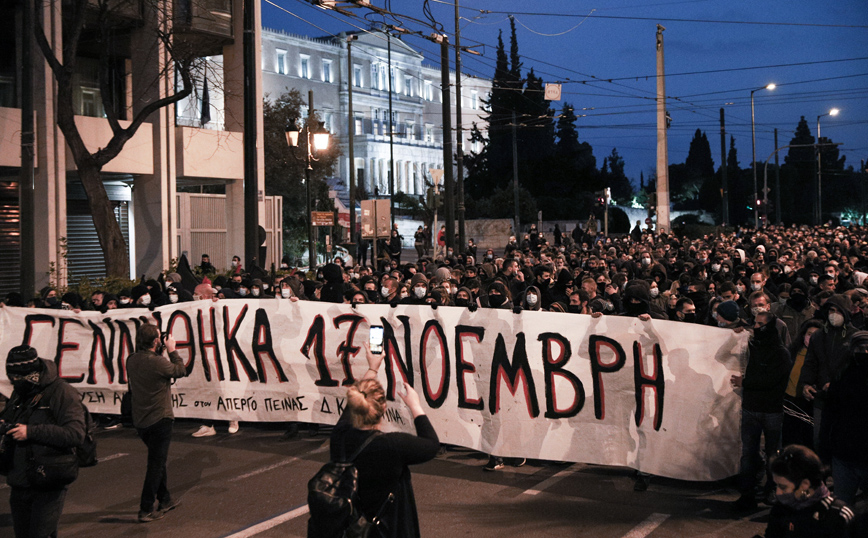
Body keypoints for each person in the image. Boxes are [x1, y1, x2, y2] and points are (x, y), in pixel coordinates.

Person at [329, 343, 439, 538]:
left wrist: (372, 369)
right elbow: (431, 445)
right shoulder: (392, 446)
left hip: (352, 527)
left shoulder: (340, 436)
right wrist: (415, 406)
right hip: (387, 529)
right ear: (384, 409)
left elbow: (352, 406)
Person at [1, 345, 86, 538]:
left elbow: (75, 433)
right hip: (20, 480)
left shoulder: (61, 392)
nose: (13, 383)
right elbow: (12, 418)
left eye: (16, 378)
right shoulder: (19, 392)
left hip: (49, 480)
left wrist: (31, 432)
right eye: (11, 378)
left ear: (30, 373)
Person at [731, 311, 792, 510]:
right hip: (751, 409)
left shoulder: (780, 352)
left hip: (771, 411)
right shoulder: (753, 346)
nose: (755, 327)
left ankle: (771, 490)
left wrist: (745, 382)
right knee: (748, 454)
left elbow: (772, 381)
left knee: (773, 454)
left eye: (758, 324)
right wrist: (737, 334)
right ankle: (748, 493)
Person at [126, 324, 186, 522]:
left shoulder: (131, 359)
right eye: (159, 338)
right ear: (155, 341)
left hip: (140, 419)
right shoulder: (158, 362)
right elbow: (180, 370)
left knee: (157, 460)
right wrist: (172, 350)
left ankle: (165, 499)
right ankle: (146, 508)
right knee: (155, 464)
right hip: (160, 418)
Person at [752, 445, 853, 538]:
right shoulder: (782, 509)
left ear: (805, 484)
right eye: (777, 485)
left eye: (783, 487)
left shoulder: (838, 517)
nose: (778, 493)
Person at [818, 330, 868, 507]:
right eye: (861, 349)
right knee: (841, 509)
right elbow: (829, 417)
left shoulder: (841, 377)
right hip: (844, 455)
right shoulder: (841, 378)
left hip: (845, 453)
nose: (864, 353)